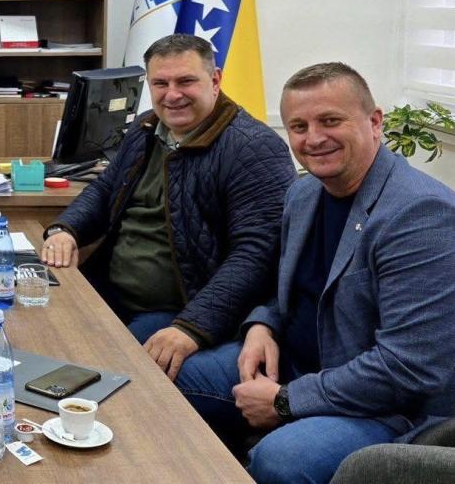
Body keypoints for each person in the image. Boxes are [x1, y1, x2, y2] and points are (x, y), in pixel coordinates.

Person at [174, 63, 455, 483]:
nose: (314, 138)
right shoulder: (304, 192)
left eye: (330, 121)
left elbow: (408, 368)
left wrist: (286, 401)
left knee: (283, 459)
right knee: (167, 375)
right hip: (294, 364)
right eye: (298, 126)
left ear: (375, 122)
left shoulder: (420, 215)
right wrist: (262, 325)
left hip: (387, 407)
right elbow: (285, 289)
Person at [41, 34, 296, 379]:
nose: (172, 95)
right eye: (160, 84)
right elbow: (105, 188)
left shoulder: (252, 147)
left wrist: (191, 326)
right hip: (111, 291)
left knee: (96, 376)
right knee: (35, 330)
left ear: (215, 80)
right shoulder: (147, 128)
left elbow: (256, 254)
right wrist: (66, 230)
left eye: (185, 81)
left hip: (179, 309)